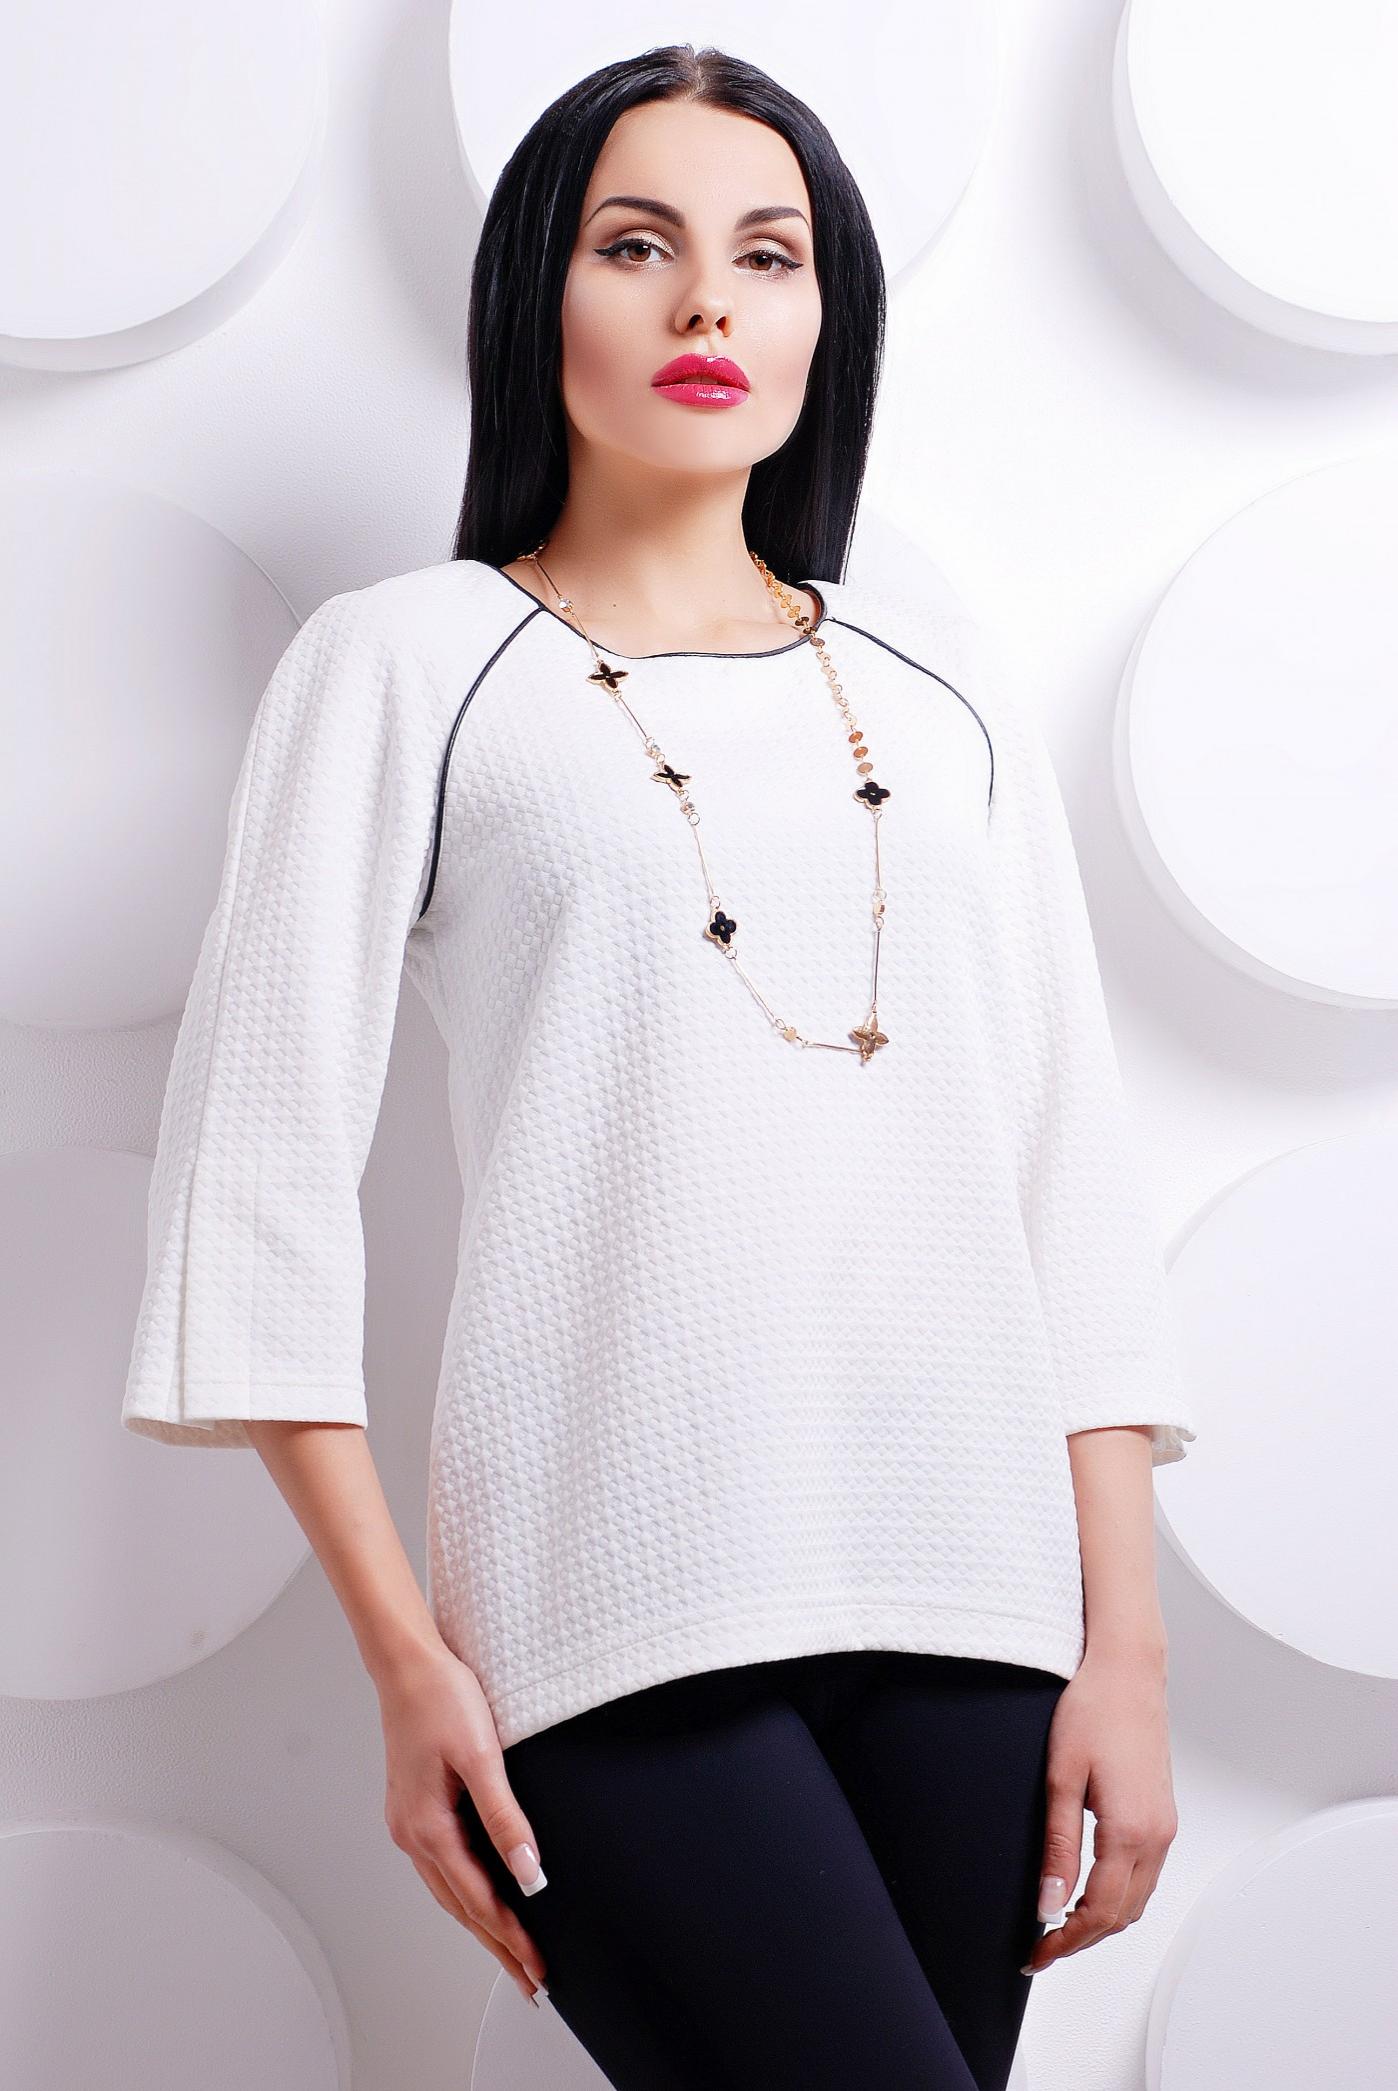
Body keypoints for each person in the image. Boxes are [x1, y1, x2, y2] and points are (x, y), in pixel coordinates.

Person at [121, 42, 1197, 2091]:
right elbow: (258, 1178)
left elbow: (1067, 1175)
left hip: (974, 1608)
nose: (709, 300)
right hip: (606, 1611)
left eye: (769, 255)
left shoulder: (941, 699)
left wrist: (1124, 1649)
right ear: (539, 289)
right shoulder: (405, 663)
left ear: (826, 316)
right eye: (638, 244)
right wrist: (405, 1660)